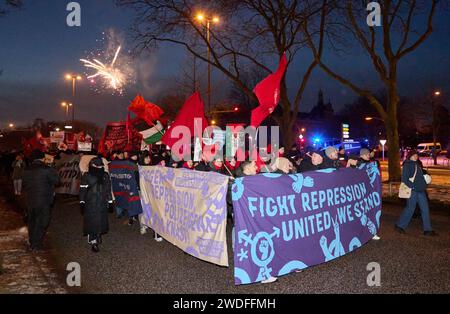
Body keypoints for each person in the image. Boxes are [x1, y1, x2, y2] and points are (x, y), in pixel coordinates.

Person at [22, 149, 60, 252]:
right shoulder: (47, 169)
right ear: (43, 158)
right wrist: (52, 166)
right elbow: (57, 181)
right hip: (44, 199)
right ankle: (36, 245)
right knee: (42, 221)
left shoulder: (26, 169)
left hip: (30, 199)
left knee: (32, 221)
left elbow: (24, 184)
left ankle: (32, 242)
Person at [395, 150, 437, 236]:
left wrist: (425, 182)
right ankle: (400, 225)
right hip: (413, 190)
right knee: (410, 208)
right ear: (409, 156)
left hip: (421, 190)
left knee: (425, 209)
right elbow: (404, 179)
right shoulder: (407, 165)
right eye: (414, 155)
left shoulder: (417, 164)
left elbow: (419, 177)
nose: (415, 156)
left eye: (416, 155)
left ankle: (427, 230)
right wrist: (413, 186)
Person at [79, 157, 114, 252]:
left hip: (102, 202)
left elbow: (108, 189)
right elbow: (82, 190)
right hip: (90, 202)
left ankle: (97, 236)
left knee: (100, 221)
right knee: (92, 221)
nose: (99, 167)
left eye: (100, 165)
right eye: (97, 165)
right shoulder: (86, 175)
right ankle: (93, 240)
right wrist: (81, 202)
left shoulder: (105, 175)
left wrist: (110, 201)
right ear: (92, 165)